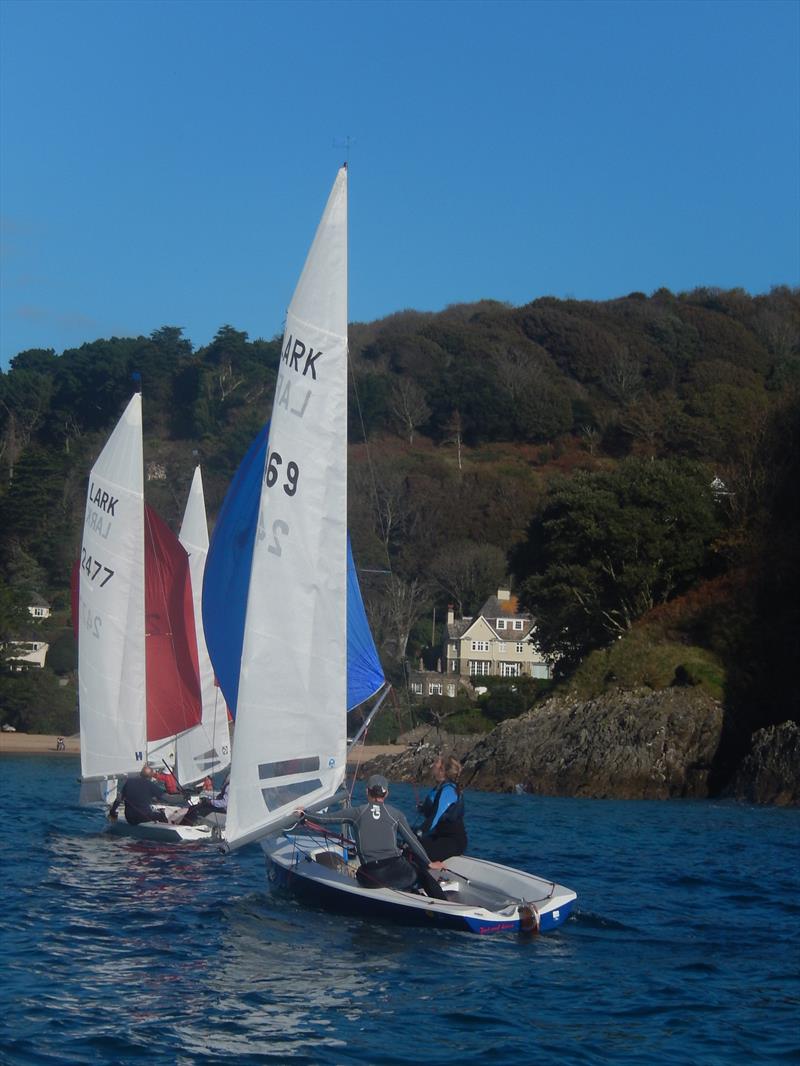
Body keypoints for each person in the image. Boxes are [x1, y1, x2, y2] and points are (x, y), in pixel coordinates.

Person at [297, 774, 447, 898]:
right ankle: (442, 902)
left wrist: (305, 814)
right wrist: (429, 863)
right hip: (397, 872)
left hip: (371, 877)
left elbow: (325, 819)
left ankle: (405, 892)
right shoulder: (396, 814)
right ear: (386, 794)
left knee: (361, 872)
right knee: (419, 871)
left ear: (367, 792)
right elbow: (412, 841)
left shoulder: (356, 812)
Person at [415, 755, 467, 861]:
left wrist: (417, 834)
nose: (433, 765)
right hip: (439, 836)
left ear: (442, 770)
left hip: (452, 842)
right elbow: (433, 810)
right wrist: (423, 808)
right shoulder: (438, 788)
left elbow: (434, 818)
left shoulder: (448, 790)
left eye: (436, 763)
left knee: (413, 846)